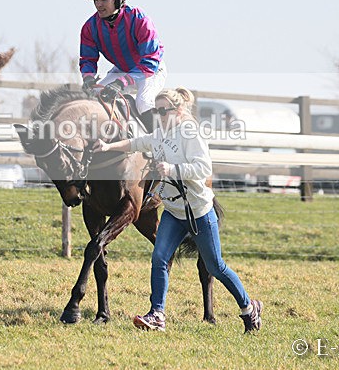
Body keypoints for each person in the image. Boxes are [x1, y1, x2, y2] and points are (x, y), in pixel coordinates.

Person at [93, 87, 263, 333]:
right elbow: (137, 142)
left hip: (198, 212)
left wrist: (172, 170)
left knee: (216, 267)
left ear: (178, 110)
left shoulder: (190, 133)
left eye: (163, 110)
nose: (159, 115)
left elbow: (203, 168)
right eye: (156, 111)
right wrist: (108, 148)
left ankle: (249, 308)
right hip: (173, 211)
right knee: (159, 258)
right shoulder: (162, 131)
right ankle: (157, 315)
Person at [79, 0, 166, 129]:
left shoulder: (139, 19)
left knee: (143, 103)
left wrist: (122, 83)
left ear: (118, 0)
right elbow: (87, 59)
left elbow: (150, 61)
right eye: (96, 0)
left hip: (150, 70)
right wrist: (88, 78)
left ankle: (162, 147)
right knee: (92, 99)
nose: (98, 5)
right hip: (122, 69)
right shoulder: (90, 27)